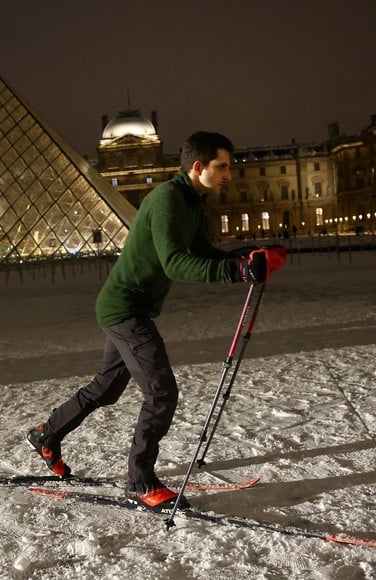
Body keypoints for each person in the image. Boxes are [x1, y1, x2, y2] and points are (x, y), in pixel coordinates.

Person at [27, 131, 286, 510]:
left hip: (130, 307)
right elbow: (176, 264)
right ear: (199, 167)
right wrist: (239, 271)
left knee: (107, 388)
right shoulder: (167, 200)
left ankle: (46, 434)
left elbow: (203, 253)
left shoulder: (192, 202)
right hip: (125, 309)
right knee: (162, 393)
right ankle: (139, 480)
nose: (229, 174)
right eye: (223, 166)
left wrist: (250, 254)